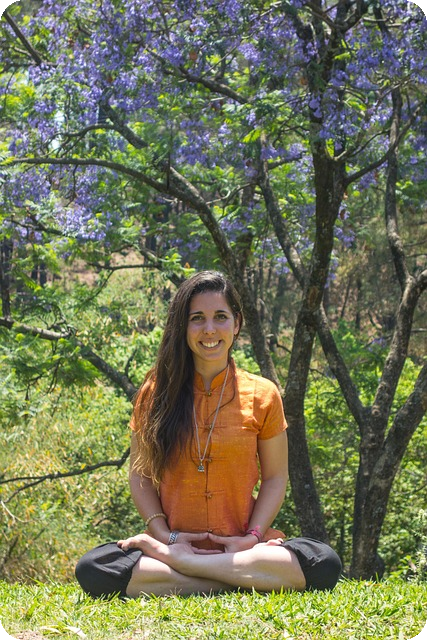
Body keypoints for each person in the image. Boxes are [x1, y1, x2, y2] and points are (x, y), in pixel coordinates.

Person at [75, 270, 341, 598]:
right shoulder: (155, 393)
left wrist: (253, 538)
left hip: (242, 548)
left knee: (324, 562)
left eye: (220, 317)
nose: (210, 329)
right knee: (94, 567)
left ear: (237, 324)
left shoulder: (263, 394)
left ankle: (189, 571)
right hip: (175, 545)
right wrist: (165, 537)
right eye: (197, 318)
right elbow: (140, 475)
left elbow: (275, 478)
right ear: (183, 326)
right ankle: (241, 578)